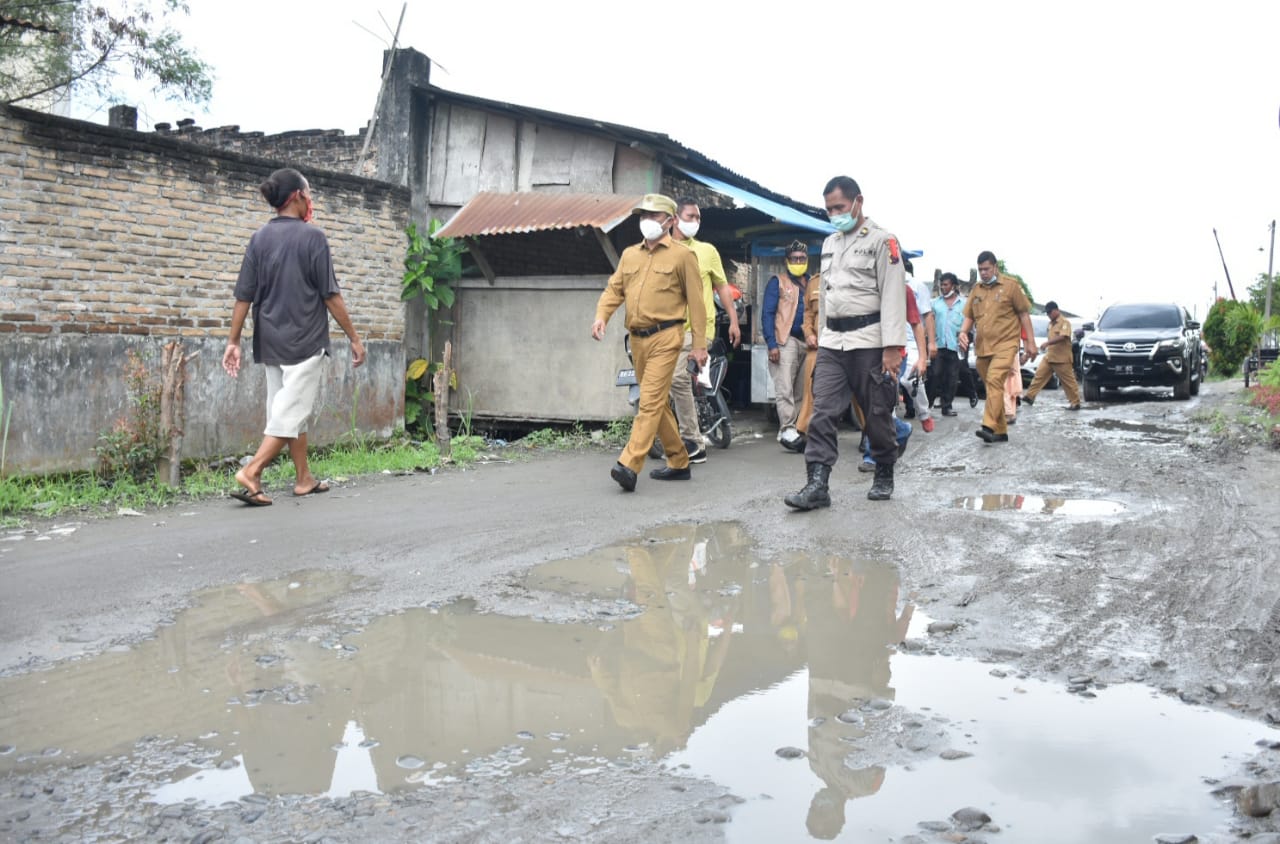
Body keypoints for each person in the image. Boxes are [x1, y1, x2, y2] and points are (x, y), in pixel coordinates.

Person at [223, 168, 365, 506]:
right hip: (305, 341)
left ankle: (303, 479)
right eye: (309, 193)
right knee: (289, 412)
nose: (311, 201)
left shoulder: (258, 238)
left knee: (287, 410)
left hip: (270, 341)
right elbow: (331, 295)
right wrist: (355, 338)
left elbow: (244, 295)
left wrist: (233, 341)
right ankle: (252, 471)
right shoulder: (312, 237)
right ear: (298, 197)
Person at [785, 176, 908, 509]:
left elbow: (894, 297)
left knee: (877, 413)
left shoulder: (884, 242)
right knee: (822, 411)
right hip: (832, 342)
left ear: (858, 202)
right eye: (829, 209)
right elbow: (827, 297)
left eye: (839, 207)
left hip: (869, 340)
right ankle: (818, 484)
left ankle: (884, 470)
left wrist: (893, 348)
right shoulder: (829, 244)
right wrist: (822, 335)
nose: (834, 214)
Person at [592, 194, 707, 491]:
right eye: (644, 215)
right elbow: (614, 289)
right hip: (638, 339)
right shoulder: (631, 254)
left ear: (669, 221)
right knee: (655, 403)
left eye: (654, 216)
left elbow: (697, 304)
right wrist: (601, 316)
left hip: (667, 336)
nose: (647, 221)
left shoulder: (683, 256)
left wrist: (699, 346)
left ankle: (629, 465)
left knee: (649, 401)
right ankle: (680, 461)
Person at [669, 198, 741, 464]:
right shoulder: (661, 250)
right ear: (674, 219)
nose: (695, 222)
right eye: (690, 216)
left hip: (699, 332)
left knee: (677, 378)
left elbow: (722, 287)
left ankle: (692, 441)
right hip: (666, 331)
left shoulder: (707, 251)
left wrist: (733, 321)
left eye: (698, 218)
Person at [958, 251, 1036, 443]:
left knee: (994, 380)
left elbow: (1024, 314)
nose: (983, 273)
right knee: (992, 385)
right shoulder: (976, 290)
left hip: (1006, 344)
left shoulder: (1011, 286)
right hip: (983, 347)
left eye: (986, 269)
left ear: (995, 267)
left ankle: (988, 425)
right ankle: (1000, 430)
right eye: (980, 270)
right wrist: (962, 332)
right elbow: (969, 315)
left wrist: (1031, 343)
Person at [763, 240, 812, 451]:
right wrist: (772, 344)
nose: (798, 262)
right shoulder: (778, 282)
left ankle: (797, 429)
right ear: (787, 261)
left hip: (808, 342)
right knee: (784, 387)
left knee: (802, 389)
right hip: (786, 340)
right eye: (794, 259)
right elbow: (767, 314)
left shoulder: (812, 283)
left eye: (802, 258)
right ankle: (787, 428)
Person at [930, 272, 977, 415]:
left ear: (954, 286)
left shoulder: (964, 304)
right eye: (941, 285)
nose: (943, 287)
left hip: (957, 344)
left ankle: (947, 406)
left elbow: (971, 322)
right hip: (939, 344)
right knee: (936, 373)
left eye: (946, 285)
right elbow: (930, 323)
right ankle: (928, 402)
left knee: (953, 375)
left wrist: (968, 339)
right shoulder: (935, 303)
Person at [1022, 300, 1082, 410]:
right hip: (1050, 356)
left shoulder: (1065, 322)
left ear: (1056, 310)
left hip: (1062, 359)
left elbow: (1063, 337)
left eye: (1050, 312)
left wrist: (1047, 343)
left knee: (1068, 382)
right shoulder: (1050, 324)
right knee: (1038, 377)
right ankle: (1029, 397)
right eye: (1047, 313)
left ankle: (1075, 402)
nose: (1048, 315)